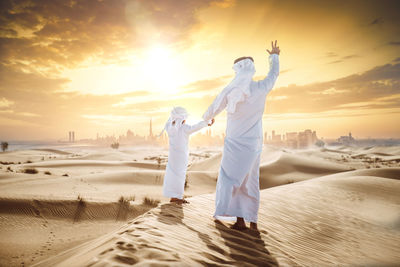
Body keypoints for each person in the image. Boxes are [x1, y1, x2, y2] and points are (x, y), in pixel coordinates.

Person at [202, 41, 280, 230]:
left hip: (234, 143)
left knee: (230, 179)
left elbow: (214, 107)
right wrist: (274, 56)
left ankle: (239, 220)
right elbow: (273, 74)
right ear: (252, 70)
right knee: (250, 180)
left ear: (237, 71)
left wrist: (207, 119)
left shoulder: (230, 90)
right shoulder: (261, 88)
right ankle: (251, 222)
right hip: (253, 144)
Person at [161, 107, 214, 204]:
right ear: (183, 118)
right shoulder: (184, 128)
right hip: (181, 157)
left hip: (173, 157)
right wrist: (208, 122)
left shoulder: (169, 127)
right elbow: (196, 126)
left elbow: (171, 122)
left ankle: (173, 196)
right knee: (180, 176)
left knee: (172, 175)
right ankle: (178, 197)